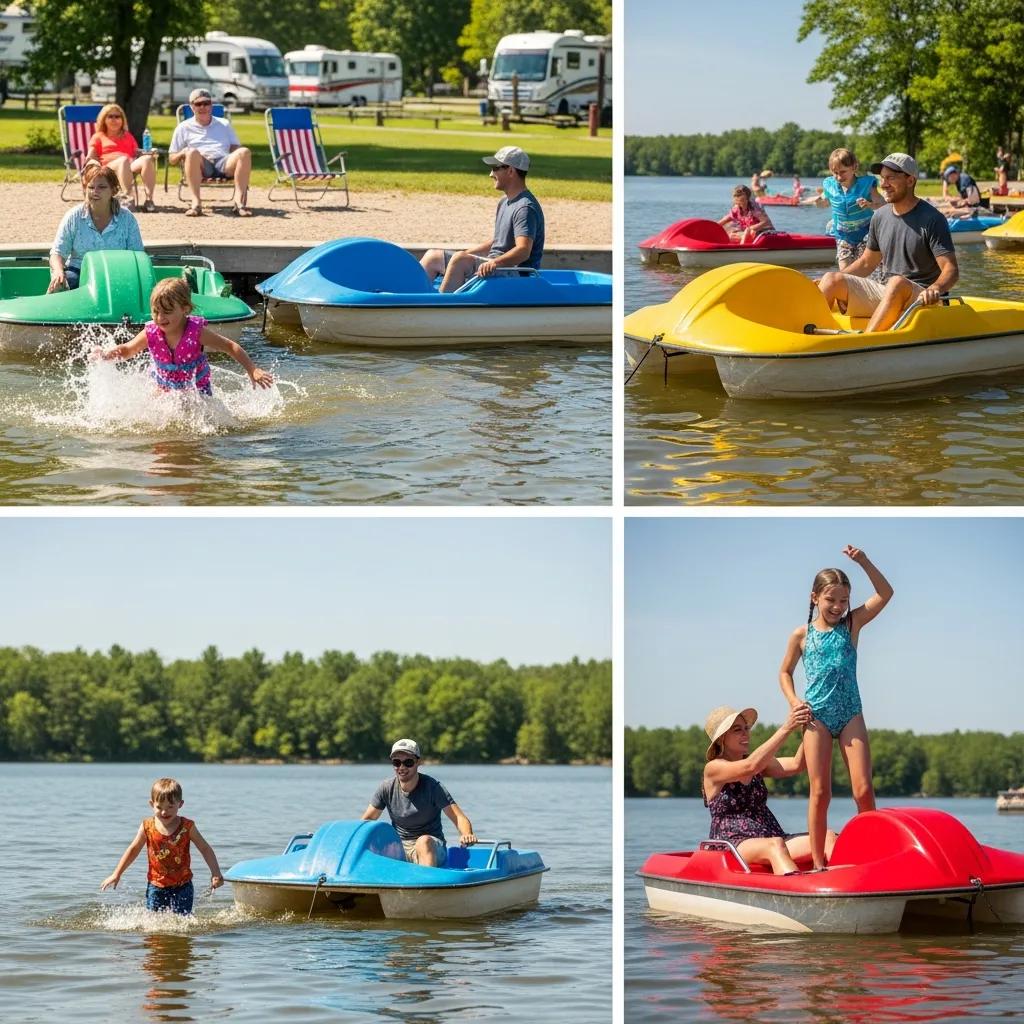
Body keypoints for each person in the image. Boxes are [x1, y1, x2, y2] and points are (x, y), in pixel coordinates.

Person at [778, 546, 894, 871]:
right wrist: (794, 701)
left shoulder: (851, 624)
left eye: (843, 600)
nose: (838, 606)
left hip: (850, 713)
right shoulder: (801, 635)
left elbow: (886, 593)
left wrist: (864, 561)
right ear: (815, 597)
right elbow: (784, 672)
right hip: (815, 718)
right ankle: (817, 864)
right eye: (831, 600)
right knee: (820, 793)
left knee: (863, 789)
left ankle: (876, 856)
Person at [816, 153, 958, 333]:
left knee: (896, 282)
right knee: (831, 279)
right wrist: (827, 281)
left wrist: (935, 288)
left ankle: (867, 344)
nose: (883, 185)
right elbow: (867, 263)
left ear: (910, 180)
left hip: (924, 299)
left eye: (890, 178)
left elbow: (951, 270)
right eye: (882, 178)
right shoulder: (880, 216)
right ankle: (811, 340)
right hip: (889, 293)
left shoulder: (932, 219)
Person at [703, 704, 837, 875]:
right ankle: (795, 894)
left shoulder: (758, 763)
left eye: (746, 728)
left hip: (773, 835)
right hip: (733, 842)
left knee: (827, 836)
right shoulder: (714, 768)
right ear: (721, 739)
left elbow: (798, 764)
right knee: (774, 845)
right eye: (737, 730)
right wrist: (787, 727)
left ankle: (846, 887)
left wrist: (815, 725)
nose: (746, 733)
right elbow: (749, 767)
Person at [95, 277, 273, 394]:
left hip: (196, 391)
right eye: (155, 312)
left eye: (167, 312)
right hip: (163, 388)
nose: (160, 318)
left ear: (185, 309)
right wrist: (106, 355)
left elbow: (230, 347)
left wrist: (252, 370)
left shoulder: (195, 332)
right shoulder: (151, 333)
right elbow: (128, 349)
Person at [419, 146, 545, 293]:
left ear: (510, 171)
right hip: (497, 266)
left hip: (516, 274)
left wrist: (495, 262)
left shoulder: (525, 208)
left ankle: (440, 310)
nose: (491, 174)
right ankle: (408, 301)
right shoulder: (505, 201)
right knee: (433, 256)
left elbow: (523, 250)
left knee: (460, 261)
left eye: (495, 168)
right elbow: (498, 241)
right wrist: (467, 252)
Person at [100, 777, 223, 915]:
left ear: (180, 804)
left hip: (183, 885)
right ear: (152, 804)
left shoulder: (187, 827)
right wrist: (116, 874)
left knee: (182, 922)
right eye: (159, 807)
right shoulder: (147, 826)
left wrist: (216, 873)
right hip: (156, 885)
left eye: (170, 807)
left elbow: (205, 849)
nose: (165, 812)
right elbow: (133, 849)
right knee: (153, 924)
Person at [361, 738, 478, 867]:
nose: (402, 767)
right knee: (379, 839)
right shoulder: (386, 787)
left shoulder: (433, 787)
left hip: (431, 846)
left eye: (408, 762)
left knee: (423, 841)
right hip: (399, 847)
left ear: (418, 762)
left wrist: (467, 834)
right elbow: (367, 820)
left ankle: (427, 883)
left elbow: (458, 817)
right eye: (396, 762)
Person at [48, 164, 144, 292]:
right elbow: (57, 253)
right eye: (91, 187)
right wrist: (58, 272)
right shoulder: (73, 217)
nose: (95, 191)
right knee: (59, 285)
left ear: (114, 190)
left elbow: (137, 256)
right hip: (79, 272)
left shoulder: (127, 219)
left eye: (102, 187)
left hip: (116, 274)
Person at [168, 88, 252, 217]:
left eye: (206, 103)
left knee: (244, 151)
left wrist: (239, 155)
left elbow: (235, 147)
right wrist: (184, 153)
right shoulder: (183, 128)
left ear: (211, 105)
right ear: (192, 107)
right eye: (198, 104)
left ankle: (239, 203)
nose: (203, 107)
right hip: (201, 165)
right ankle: (196, 204)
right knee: (192, 152)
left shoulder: (224, 124)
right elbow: (172, 159)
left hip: (224, 163)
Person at [86, 103, 157, 212]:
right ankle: (128, 198)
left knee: (147, 159)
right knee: (123, 160)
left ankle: (149, 200)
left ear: (122, 120)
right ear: (104, 119)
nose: (114, 119)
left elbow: (137, 153)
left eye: (117, 116)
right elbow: (90, 156)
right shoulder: (98, 136)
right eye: (110, 116)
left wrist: (148, 154)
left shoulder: (128, 136)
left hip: (128, 166)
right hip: (108, 169)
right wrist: (92, 165)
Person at [821, 147, 884, 268]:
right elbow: (823, 202)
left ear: (854, 167)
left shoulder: (866, 184)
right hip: (843, 235)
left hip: (866, 233)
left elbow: (882, 204)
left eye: (843, 172)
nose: (839, 177)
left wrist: (869, 205)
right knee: (844, 271)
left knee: (866, 269)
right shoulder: (830, 185)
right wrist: (819, 202)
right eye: (835, 173)